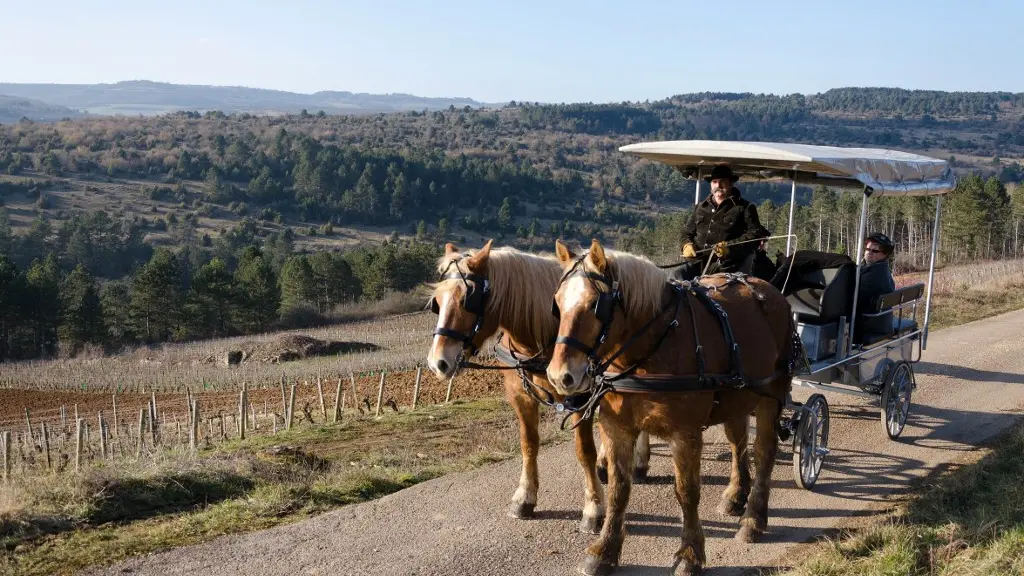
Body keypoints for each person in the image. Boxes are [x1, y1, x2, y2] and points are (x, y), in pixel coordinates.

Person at [671, 164, 771, 282]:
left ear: (731, 183)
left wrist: (729, 248)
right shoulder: (700, 207)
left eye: (722, 181)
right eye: (714, 182)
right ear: (711, 184)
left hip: (727, 267)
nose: (718, 185)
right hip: (696, 265)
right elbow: (686, 232)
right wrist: (686, 245)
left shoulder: (745, 208)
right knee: (674, 278)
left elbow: (755, 235)